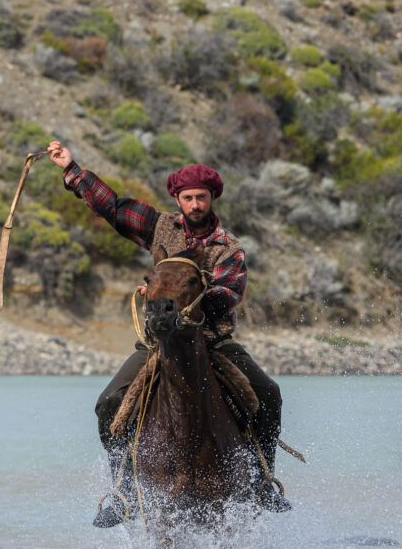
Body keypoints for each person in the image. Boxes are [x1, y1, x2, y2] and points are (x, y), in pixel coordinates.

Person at [45, 141, 291, 523]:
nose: (195, 205)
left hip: (213, 344)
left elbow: (227, 294)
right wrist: (72, 168)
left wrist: (172, 296)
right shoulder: (160, 225)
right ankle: (122, 490)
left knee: (268, 395)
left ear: (213, 198)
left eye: (202, 198)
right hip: (159, 343)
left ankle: (262, 481)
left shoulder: (229, 248)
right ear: (178, 198)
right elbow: (114, 207)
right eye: (188, 197)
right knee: (109, 402)